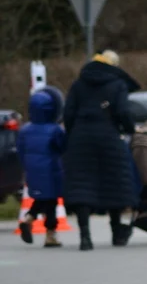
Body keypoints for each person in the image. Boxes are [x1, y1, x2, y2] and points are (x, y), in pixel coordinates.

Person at [63, 50, 138, 251]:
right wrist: (131, 130)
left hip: (80, 139)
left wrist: (74, 134)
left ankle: (85, 237)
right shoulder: (117, 84)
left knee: (83, 185)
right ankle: (116, 233)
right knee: (113, 183)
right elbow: (122, 111)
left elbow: (68, 113)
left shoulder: (79, 84)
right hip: (109, 137)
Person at [16, 85, 66, 248]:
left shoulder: (25, 130)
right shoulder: (55, 130)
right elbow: (61, 147)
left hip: (32, 169)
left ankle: (29, 218)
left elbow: (21, 150)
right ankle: (50, 235)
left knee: (41, 198)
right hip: (51, 169)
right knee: (50, 201)